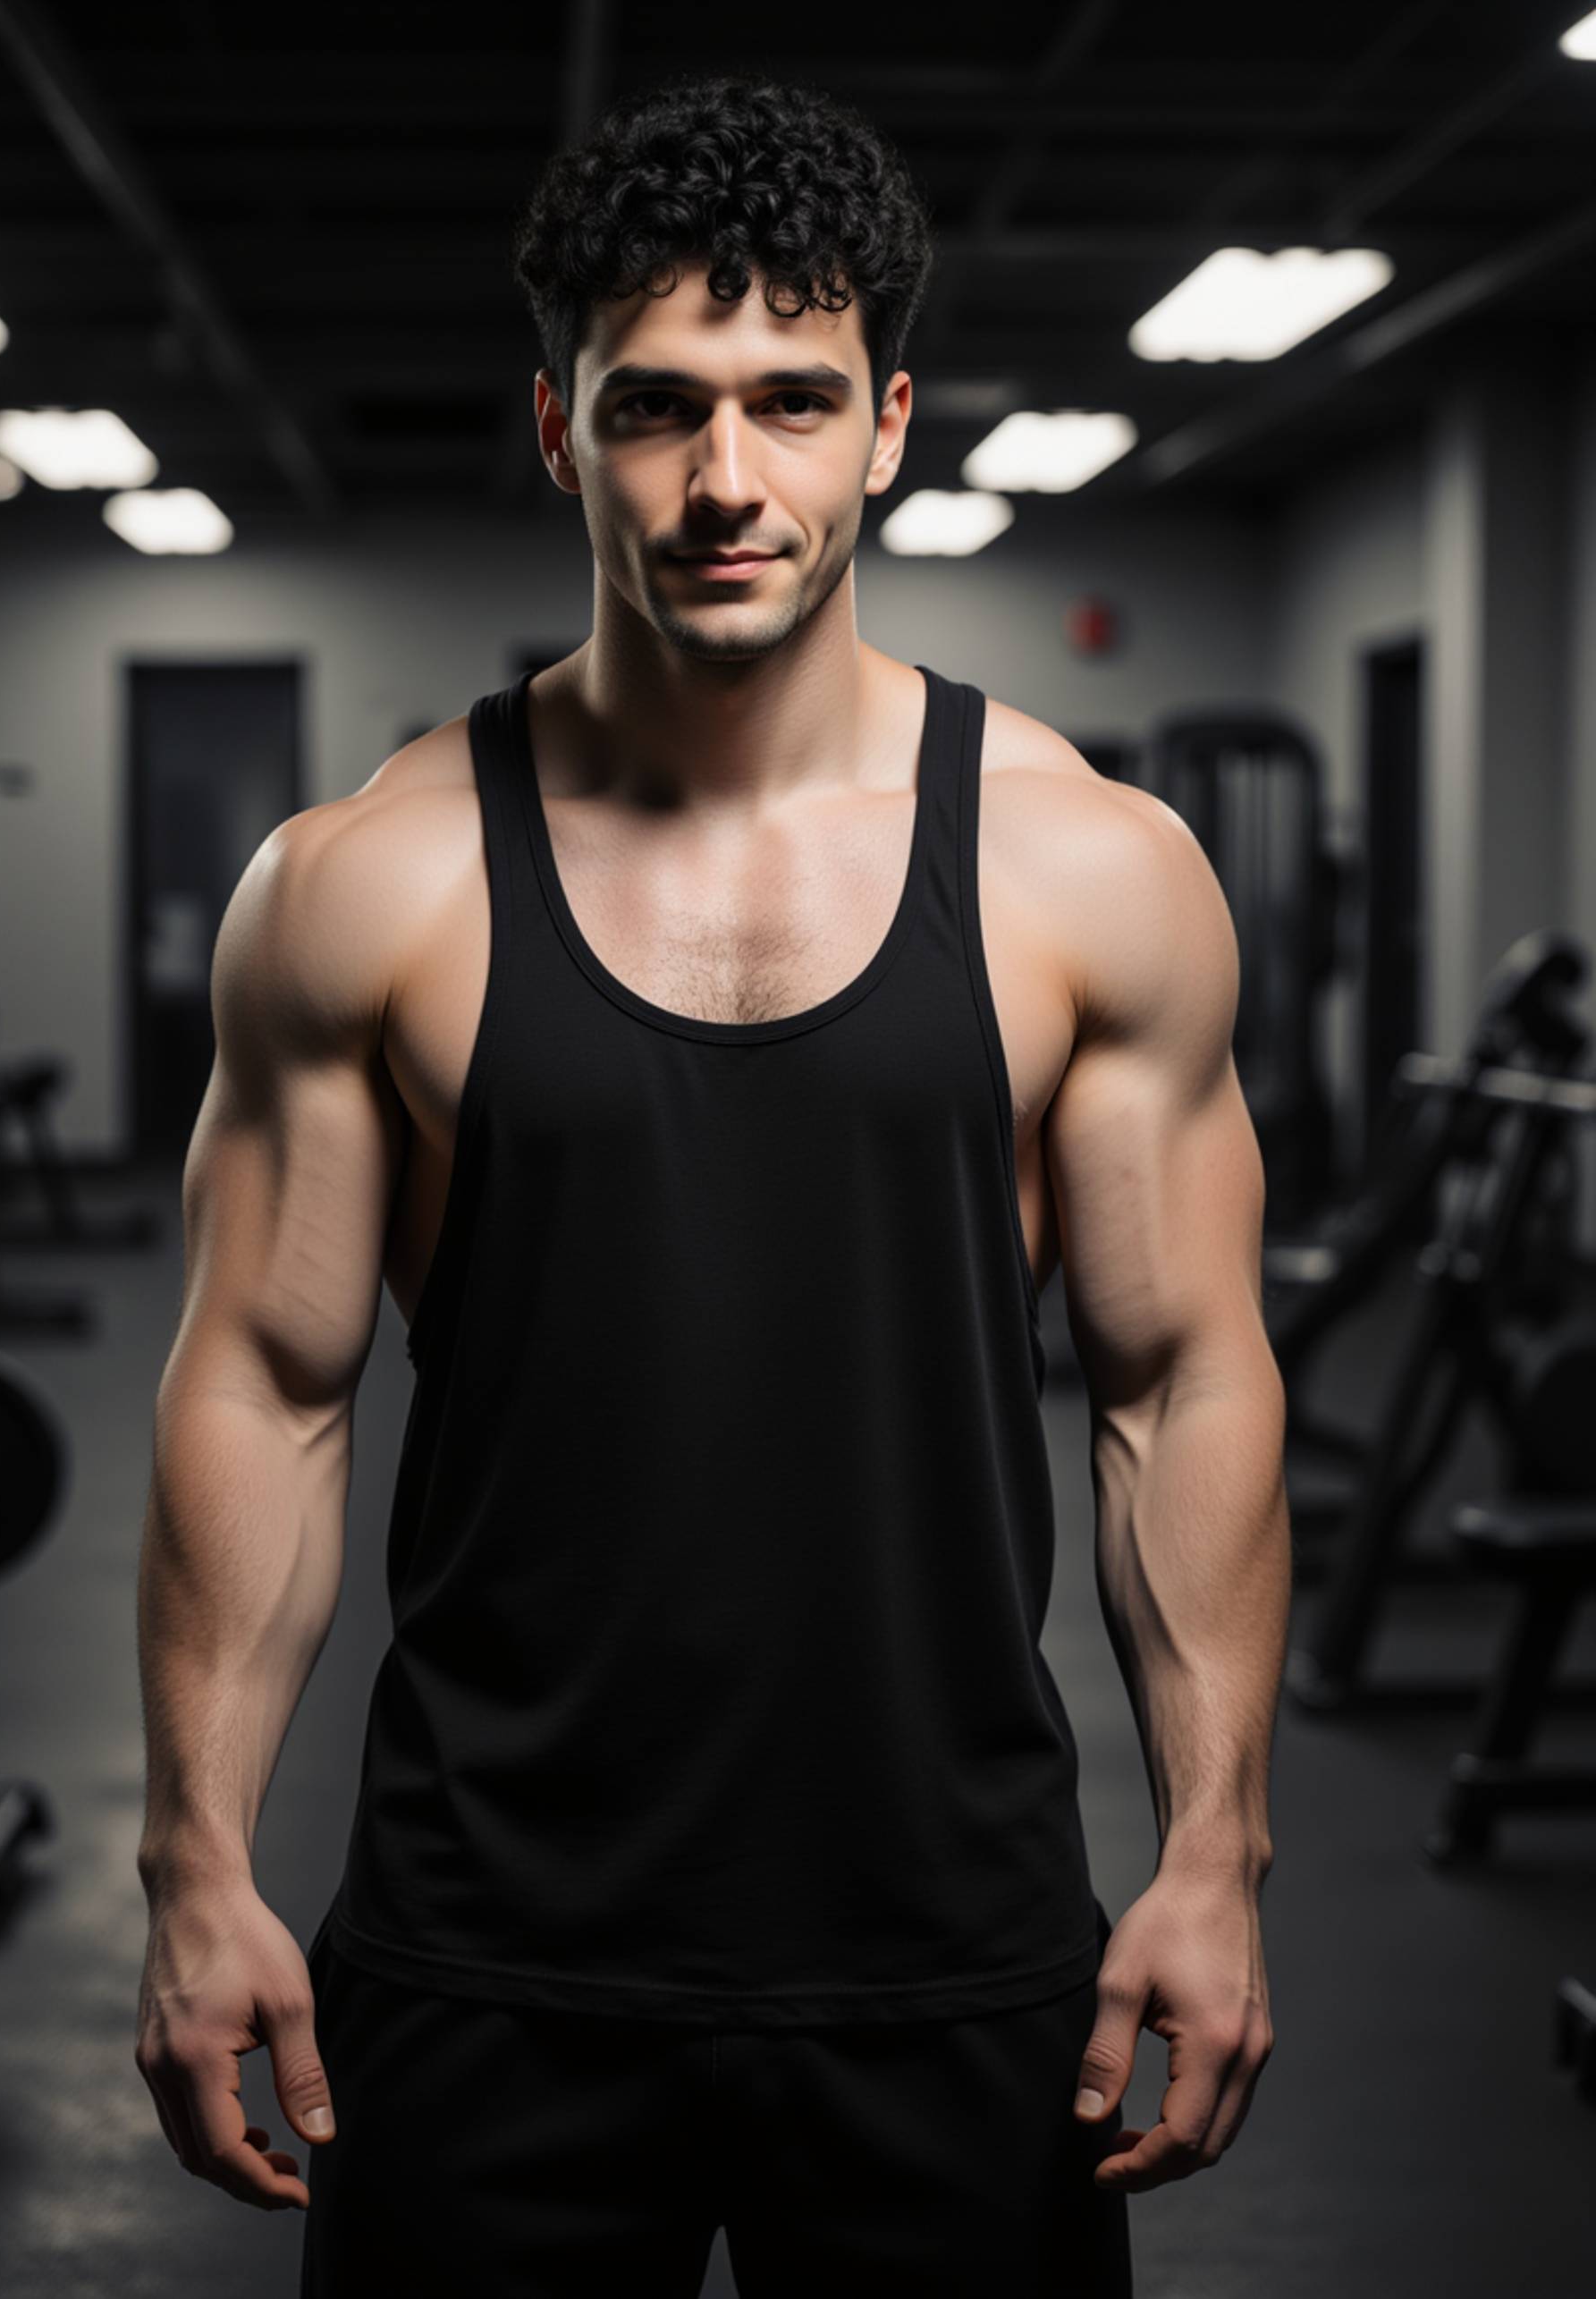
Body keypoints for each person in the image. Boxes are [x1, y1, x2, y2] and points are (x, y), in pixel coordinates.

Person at [134, 68, 1286, 2297]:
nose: (728, 480)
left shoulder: (1090, 872)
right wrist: (193, 1859)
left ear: (889, 422)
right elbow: (261, 1387)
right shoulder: (359, 885)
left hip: (956, 1962)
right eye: (658, 405)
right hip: (485, 1960)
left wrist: (1219, 1849)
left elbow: (1184, 1379)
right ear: (560, 428)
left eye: (793, 400)